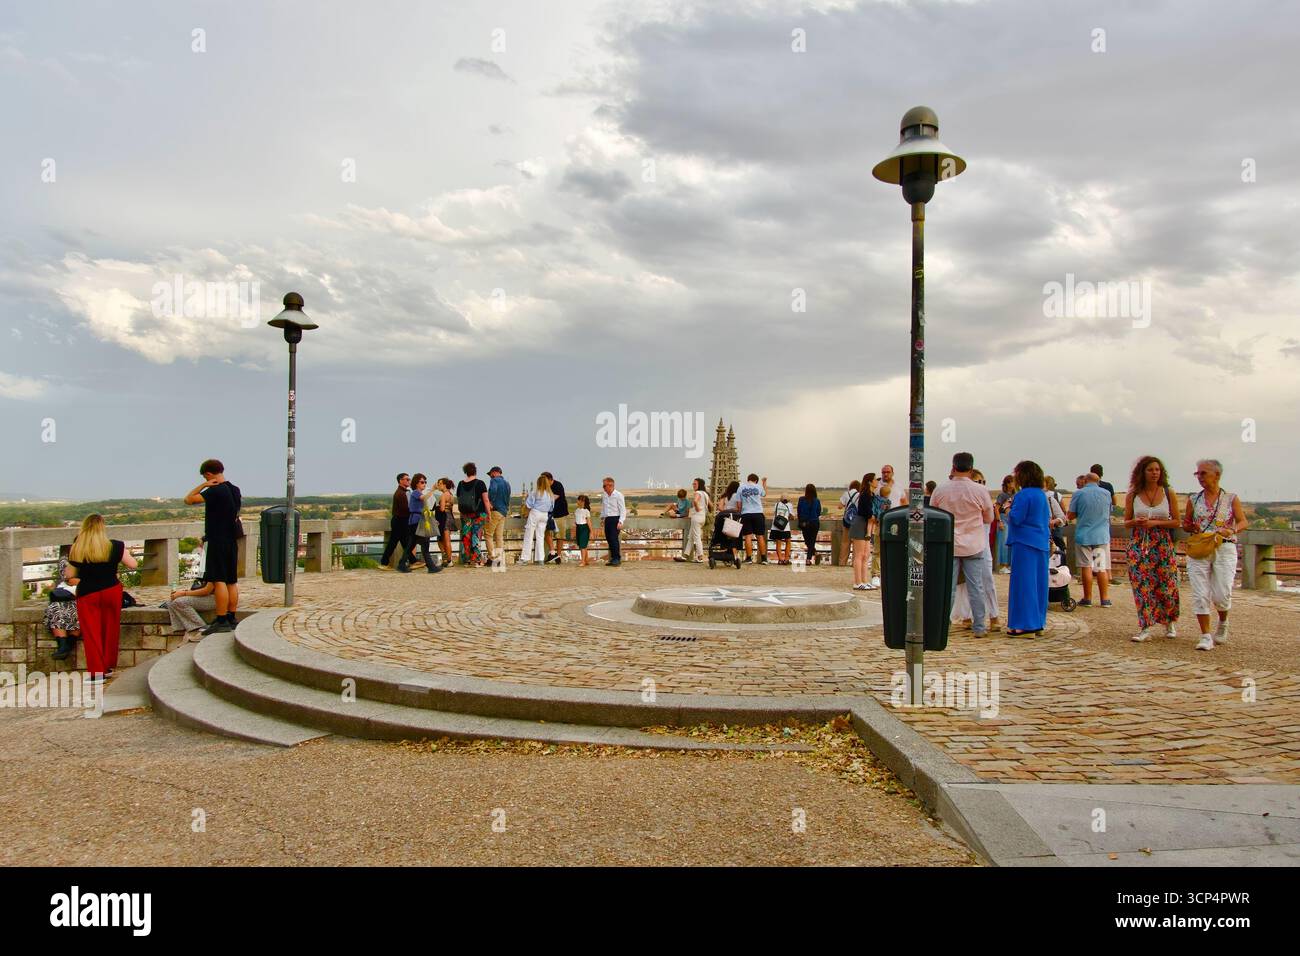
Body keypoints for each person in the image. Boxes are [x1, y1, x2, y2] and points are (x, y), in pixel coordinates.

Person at [1182, 458, 1247, 651]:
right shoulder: (1194, 499)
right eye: (1198, 473)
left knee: (1222, 593)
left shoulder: (1230, 499)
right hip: (1200, 547)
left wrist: (1232, 530)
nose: (1200, 477)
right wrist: (1189, 526)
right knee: (1200, 593)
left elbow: (1243, 521)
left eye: (1204, 473)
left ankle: (1223, 620)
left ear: (1217, 475)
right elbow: (1186, 523)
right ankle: (1205, 635)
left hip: (1224, 547)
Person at [66, 514, 138, 682]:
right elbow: (133, 564)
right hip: (111, 590)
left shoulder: (77, 547)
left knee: (92, 632)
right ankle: (108, 666)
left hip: (87, 592)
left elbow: (69, 574)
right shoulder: (116, 546)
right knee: (110, 629)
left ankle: (97, 672)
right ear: (103, 527)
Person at [930, 452, 995, 637]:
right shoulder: (980, 491)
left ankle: (943, 624)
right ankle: (980, 627)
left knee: (947, 588)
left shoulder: (941, 489)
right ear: (971, 468)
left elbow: (934, 515)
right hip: (974, 544)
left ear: (953, 466)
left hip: (949, 544)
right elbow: (989, 517)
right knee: (976, 588)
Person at [1123, 455, 1180, 642]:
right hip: (1139, 543)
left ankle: (1169, 621)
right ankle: (1145, 626)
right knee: (1141, 584)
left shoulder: (1168, 492)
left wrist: (1155, 522)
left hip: (1162, 543)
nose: (1155, 473)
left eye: (1157, 470)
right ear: (1142, 472)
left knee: (1167, 584)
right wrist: (1136, 522)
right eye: (1150, 470)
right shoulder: (1133, 494)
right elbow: (1126, 522)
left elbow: (1177, 521)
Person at [184, 459, 242, 635]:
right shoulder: (234, 489)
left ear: (209, 474)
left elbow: (188, 500)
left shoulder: (214, 490)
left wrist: (203, 485)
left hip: (217, 540)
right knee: (231, 580)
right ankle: (231, 617)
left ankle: (221, 618)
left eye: (205, 476)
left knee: (219, 580)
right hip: (232, 539)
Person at [1004, 460, 1051, 635]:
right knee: (1038, 584)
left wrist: (1007, 508)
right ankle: (1038, 622)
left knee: (1023, 585)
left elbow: (1016, 518)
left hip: (1024, 543)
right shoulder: (1041, 495)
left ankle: (1024, 624)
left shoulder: (1023, 495)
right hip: (1041, 542)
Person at [1068, 472, 1113, 607]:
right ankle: (1105, 599)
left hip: (1084, 535)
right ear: (1098, 481)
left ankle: (1087, 598)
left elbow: (1071, 514)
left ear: (1085, 481)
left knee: (1086, 567)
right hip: (1101, 535)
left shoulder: (1079, 494)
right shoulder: (1106, 494)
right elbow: (1108, 511)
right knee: (1100, 567)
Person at [970, 469, 1002, 632]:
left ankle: (994, 615)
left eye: (983, 482)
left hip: (982, 546)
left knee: (987, 580)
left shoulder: (985, 498)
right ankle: (967, 616)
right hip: (966, 544)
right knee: (964, 584)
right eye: (977, 482)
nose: (981, 485)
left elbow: (989, 519)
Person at [872, 465, 907, 586]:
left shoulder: (899, 486)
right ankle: (876, 574)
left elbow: (903, 501)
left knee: (896, 547)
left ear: (892, 472)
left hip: (896, 521)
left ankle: (894, 572)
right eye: (883, 472)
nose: (885, 474)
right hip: (881, 521)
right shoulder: (877, 486)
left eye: (887, 472)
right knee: (877, 548)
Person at [44, 556, 81, 660]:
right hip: (67, 594)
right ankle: (63, 645)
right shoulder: (66, 560)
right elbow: (70, 580)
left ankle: (67, 646)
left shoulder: (93, 557)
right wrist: (87, 582)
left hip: (83, 596)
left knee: (81, 610)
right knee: (55, 608)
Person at [405, 474, 442, 574]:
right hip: (416, 521)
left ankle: (402, 564)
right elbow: (424, 498)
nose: (424, 484)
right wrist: (433, 489)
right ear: (416, 484)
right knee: (423, 544)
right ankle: (431, 567)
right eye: (422, 482)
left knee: (414, 544)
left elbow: (425, 509)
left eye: (425, 482)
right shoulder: (416, 493)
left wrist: (432, 520)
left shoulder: (418, 493)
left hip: (419, 521)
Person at [456, 463, 492, 566]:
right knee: (476, 536)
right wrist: (488, 513)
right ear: (475, 471)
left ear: (465, 472)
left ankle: (466, 559)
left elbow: (459, 499)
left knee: (466, 536)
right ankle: (475, 559)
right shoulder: (480, 483)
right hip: (479, 515)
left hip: (465, 514)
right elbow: (485, 500)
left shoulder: (460, 484)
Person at [849, 473, 878, 590]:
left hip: (867, 525)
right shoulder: (865, 495)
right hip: (861, 524)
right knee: (859, 555)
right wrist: (873, 516)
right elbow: (864, 511)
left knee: (866, 555)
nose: (877, 481)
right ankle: (857, 581)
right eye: (875, 479)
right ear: (870, 482)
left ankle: (865, 581)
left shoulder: (871, 495)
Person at [379, 473, 412, 570]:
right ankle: (384, 563)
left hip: (400, 521)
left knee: (404, 542)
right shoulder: (401, 493)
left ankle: (413, 561)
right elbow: (405, 509)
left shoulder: (403, 492)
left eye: (409, 479)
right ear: (401, 481)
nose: (408, 481)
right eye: (406, 479)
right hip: (400, 521)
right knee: (395, 543)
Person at [520, 473, 554, 564]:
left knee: (529, 535)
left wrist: (526, 513)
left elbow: (528, 505)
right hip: (545, 515)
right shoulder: (550, 494)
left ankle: (525, 559)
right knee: (540, 536)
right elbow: (551, 508)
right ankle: (540, 559)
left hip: (535, 513)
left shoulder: (535, 492)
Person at [737, 474, 768, 563]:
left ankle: (749, 558)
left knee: (748, 536)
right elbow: (765, 494)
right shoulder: (758, 487)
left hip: (746, 513)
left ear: (748, 479)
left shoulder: (741, 488)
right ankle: (764, 559)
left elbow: (739, 504)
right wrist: (764, 483)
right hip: (758, 513)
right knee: (760, 536)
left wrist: (740, 512)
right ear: (756, 481)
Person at [679, 478, 708, 564]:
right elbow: (710, 505)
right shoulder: (705, 494)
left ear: (699, 485)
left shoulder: (698, 493)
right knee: (691, 537)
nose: (693, 485)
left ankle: (700, 557)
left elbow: (695, 501)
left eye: (695, 484)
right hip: (703, 517)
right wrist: (703, 510)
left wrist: (698, 509)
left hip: (696, 517)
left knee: (696, 537)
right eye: (693, 484)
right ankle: (685, 556)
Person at [486, 466, 511, 565]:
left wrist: (490, 503)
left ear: (495, 472)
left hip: (495, 510)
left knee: (488, 534)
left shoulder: (494, 481)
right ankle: (499, 558)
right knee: (499, 536)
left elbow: (492, 491)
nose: (490, 477)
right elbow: (508, 497)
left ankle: (493, 558)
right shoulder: (507, 483)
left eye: (490, 474)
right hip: (503, 511)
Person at [600, 477, 628, 566]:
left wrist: (621, 521)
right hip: (608, 519)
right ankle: (613, 558)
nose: (603, 487)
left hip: (615, 519)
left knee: (614, 539)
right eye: (603, 486)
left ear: (610, 485)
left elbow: (622, 509)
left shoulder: (618, 495)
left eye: (604, 485)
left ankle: (617, 558)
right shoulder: (604, 495)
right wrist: (603, 518)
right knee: (609, 539)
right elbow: (604, 508)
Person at [797, 483, 822, 565]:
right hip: (814, 522)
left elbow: (799, 511)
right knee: (811, 541)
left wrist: (801, 519)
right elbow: (818, 512)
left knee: (807, 541)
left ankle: (809, 559)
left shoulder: (801, 499)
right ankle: (813, 555)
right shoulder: (817, 501)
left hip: (804, 523)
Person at [995, 475, 1015, 573]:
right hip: (1004, 518)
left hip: (1012, 519)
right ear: (1006, 484)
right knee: (1003, 543)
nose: (1013, 484)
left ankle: (1010, 564)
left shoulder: (1015, 495)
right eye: (1011, 482)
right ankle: (1003, 565)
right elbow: (996, 508)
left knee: (1011, 542)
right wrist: (1000, 521)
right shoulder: (1002, 495)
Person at [434, 478, 456, 567]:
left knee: (444, 540)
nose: (438, 485)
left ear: (444, 485)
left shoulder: (443, 495)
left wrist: (436, 507)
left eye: (440, 483)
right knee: (445, 540)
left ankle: (448, 559)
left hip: (444, 518)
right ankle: (447, 559)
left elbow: (442, 509)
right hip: (450, 516)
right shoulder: (450, 494)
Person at [838, 480, 860, 565]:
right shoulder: (860, 495)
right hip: (857, 521)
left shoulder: (846, 494)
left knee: (845, 542)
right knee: (856, 543)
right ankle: (855, 563)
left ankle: (842, 562)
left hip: (847, 521)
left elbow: (839, 506)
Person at [770, 495, 794, 565]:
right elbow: (791, 516)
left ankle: (780, 560)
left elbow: (775, 513)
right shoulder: (789, 505)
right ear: (788, 500)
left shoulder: (776, 504)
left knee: (778, 543)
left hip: (776, 526)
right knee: (788, 542)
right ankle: (786, 559)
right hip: (785, 527)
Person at [574, 495, 593, 566]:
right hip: (578, 528)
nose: (578, 501)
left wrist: (591, 531)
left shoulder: (586, 511)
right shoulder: (576, 510)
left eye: (580, 500)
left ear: (583, 502)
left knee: (582, 545)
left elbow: (589, 522)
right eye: (578, 500)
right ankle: (586, 560)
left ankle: (583, 562)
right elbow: (576, 521)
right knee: (582, 545)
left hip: (584, 528)